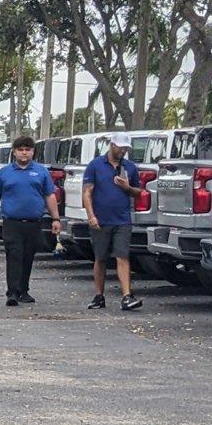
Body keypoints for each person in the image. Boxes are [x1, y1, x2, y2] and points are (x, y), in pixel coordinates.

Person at [0, 135, 61, 306]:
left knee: (28, 256)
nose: (24, 153)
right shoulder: (5, 173)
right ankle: (12, 292)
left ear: (33, 152)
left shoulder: (41, 172)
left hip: (34, 222)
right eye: (20, 150)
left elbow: (49, 196)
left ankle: (23, 290)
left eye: (27, 150)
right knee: (14, 255)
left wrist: (55, 218)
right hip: (12, 222)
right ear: (14, 152)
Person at [82, 132, 144, 310]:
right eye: (120, 147)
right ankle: (99, 295)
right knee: (100, 257)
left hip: (122, 219)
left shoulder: (129, 167)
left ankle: (126, 295)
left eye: (125, 148)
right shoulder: (95, 166)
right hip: (101, 219)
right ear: (112, 145)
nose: (123, 151)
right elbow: (87, 192)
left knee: (122, 255)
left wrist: (127, 187)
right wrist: (91, 215)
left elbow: (138, 192)